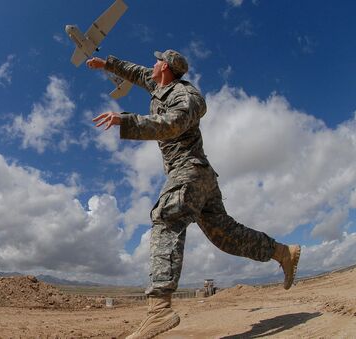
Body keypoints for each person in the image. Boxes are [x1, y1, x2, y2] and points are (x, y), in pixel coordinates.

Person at [87, 50, 301, 338]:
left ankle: (159, 308)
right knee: (227, 236)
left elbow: (171, 125)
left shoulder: (185, 96)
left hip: (190, 169)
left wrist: (126, 121)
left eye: (156, 60)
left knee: (166, 215)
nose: (151, 64)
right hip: (199, 175)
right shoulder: (158, 85)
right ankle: (282, 252)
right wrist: (106, 64)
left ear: (165, 67)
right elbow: (136, 72)